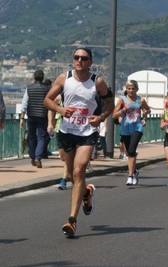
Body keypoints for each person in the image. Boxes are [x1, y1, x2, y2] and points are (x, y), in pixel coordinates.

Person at [44, 47, 114, 237]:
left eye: (84, 58)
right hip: (67, 131)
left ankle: (72, 220)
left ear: (90, 62)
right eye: (76, 57)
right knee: (74, 176)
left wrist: (101, 117)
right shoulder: (63, 78)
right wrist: (60, 110)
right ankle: (86, 193)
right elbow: (47, 100)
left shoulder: (97, 82)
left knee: (78, 170)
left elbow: (110, 103)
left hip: (87, 132)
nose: (79, 60)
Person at [112, 80, 151, 186]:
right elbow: (114, 116)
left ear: (137, 89)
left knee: (132, 150)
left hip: (137, 128)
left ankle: (130, 176)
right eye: (129, 88)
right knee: (129, 153)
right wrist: (123, 109)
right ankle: (134, 171)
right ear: (126, 89)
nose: (131, 90)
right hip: (125, 128)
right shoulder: (122, 100)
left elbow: (148, 110)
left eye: (133, 88)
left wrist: (145, 117)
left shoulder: (141, 100)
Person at [20, 70, 49, 168]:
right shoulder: (47, 89)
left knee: (31, 137)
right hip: (42, 115)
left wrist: (22, 117)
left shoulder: (29, 88)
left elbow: (24, 103)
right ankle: (38, 157)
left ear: (34, 78)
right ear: (43, 78)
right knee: (42, 137)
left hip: (31, 115)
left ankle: (33, 157)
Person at [47, 94, 70, 190]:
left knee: (69, 157)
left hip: (75, 131)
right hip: (60, 129)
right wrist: (50, 123)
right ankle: (71, 170)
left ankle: (64, 180)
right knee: (63, 156)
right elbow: (51, 108)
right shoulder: (60, 98)